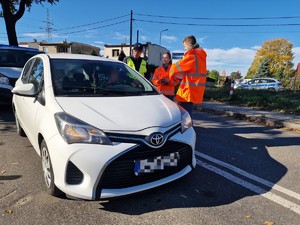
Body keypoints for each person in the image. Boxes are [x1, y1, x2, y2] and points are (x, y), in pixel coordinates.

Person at [169, 35, 207, 117]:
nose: (184, 49)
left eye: (185, 46)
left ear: (189, 45)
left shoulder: (192, 56)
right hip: (193, 91)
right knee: (187, 115)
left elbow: (174, 68)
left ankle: (188, 129)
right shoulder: (200, 56)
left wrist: (172, 78)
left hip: (187, 92)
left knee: (185, 117)